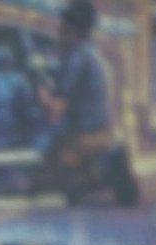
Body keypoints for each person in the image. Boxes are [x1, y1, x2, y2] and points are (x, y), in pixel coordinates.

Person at [35, 0, 137, 201]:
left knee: (43, 180)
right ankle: (103, 166)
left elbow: (55, 112)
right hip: (102, 132)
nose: (58, 34)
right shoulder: (92, 55)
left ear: (72, 29)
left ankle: (100, 173)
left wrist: (41, 93)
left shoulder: (76, 58)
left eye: (62, 28)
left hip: (85, 139)